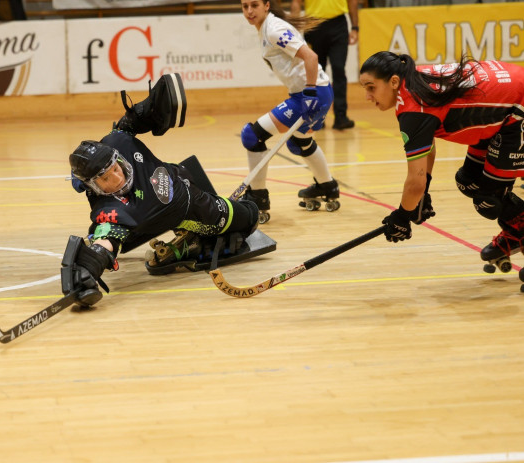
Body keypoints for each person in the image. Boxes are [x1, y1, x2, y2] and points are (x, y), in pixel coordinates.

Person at [62, 74, 264, 307]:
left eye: (116, 168)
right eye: (106, 178)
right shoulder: (111, 211)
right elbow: (107, 238)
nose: (117, 177)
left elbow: (127, 125)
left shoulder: (117, 143)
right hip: (194, 212)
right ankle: (193, 237)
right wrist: (90, 265)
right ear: (93, 186)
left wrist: (145, 110)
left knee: (250, 214)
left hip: (183, 178)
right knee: (249, 215)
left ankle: (195, 238)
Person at [359, 51, 524, 272]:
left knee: (489, 200)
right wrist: (423, 192)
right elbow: (426, 148)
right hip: (504, 108)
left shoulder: (412, 107)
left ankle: (518, 230)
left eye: (371, 87)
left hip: (517, 108)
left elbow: (413, 182)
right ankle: (517, 230)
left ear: (393, 82)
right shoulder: (411, 81)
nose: (367, 96)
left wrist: (401, 216)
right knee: (469, 181)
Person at [239, 0, 341, 219]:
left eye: (254, 5)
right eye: (244, 6)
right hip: (318, 92)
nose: (249, 11)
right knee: (301, 142)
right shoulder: (267, 28)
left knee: (252, 135)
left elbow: (311, 57)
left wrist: (310, 93)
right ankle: (327, 186)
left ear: (266, 5)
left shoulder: (274, 29)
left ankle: (258, 198)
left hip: (311, 94)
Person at [290, 0, 358, 130]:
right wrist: (295, 28)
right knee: (314, 74)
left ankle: (341, 116)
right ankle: (316, 117)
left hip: (338, 23)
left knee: (339, 69)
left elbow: (352, 2)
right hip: (314, 25)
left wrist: (355, 27)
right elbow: (296, 3)